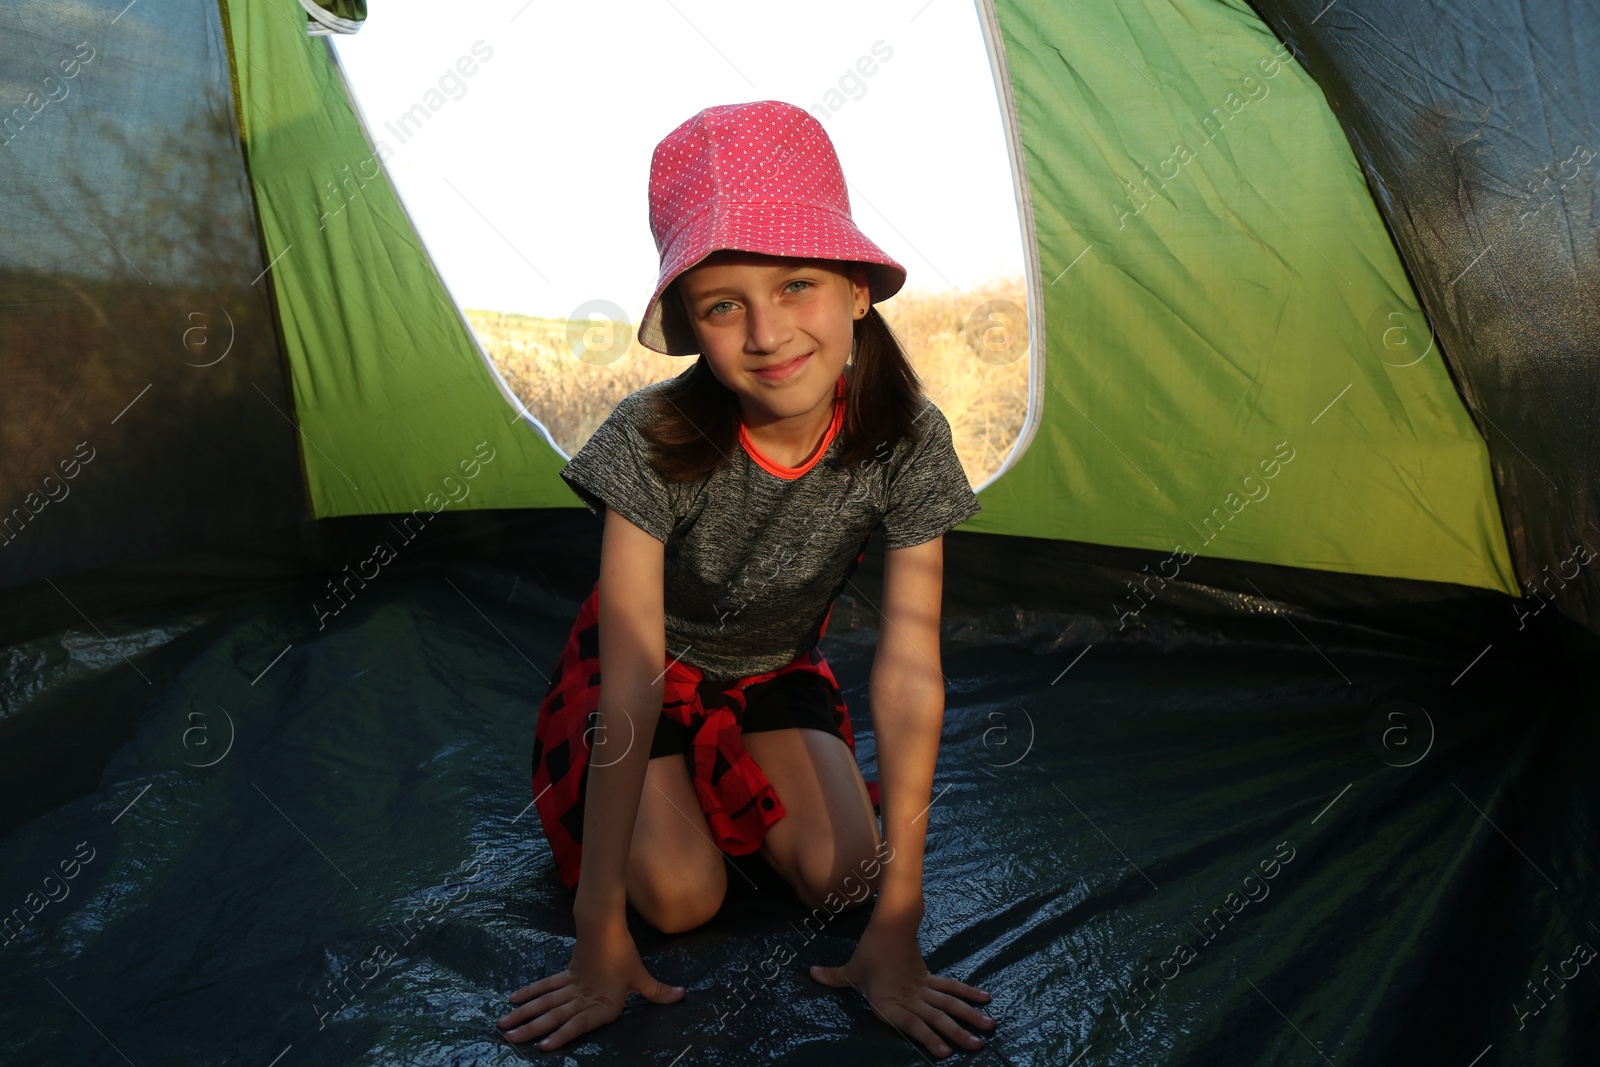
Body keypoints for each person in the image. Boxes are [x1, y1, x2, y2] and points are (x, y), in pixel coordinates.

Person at [497, 100, 996, 1059]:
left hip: (775, 673)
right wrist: (599, 930)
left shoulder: (907, 440)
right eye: (726, 304)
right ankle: (678, 805)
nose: (768, 333)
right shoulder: (650, 440)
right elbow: (633, 671)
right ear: (692, 324)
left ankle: (732, 785)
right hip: (643, 675)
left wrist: (902, 923)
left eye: (797, 284)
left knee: (851, 882)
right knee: (680, 900)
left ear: (856, 289)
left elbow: (907, 673)